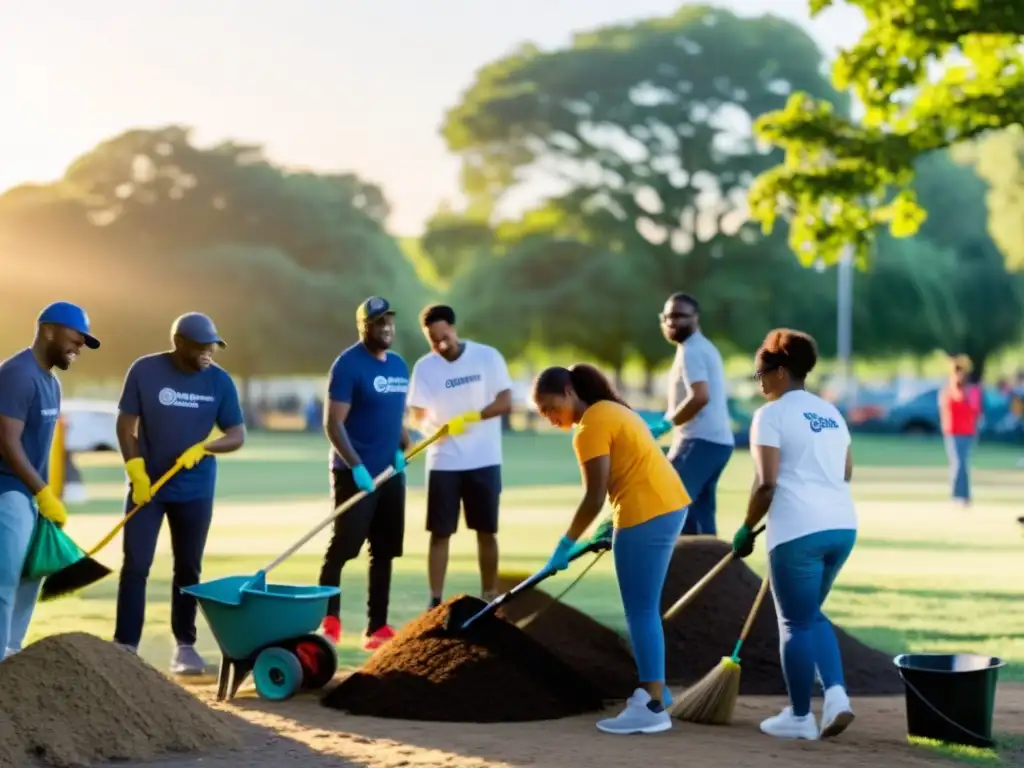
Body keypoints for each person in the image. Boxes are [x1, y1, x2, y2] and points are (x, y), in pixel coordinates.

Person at [532, 363, 690, 735]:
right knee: (644, 608)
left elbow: (593, 495)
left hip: (644, 513)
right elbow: (624, 471)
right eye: (541, 413)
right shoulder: (613, 409)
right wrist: (608, 522)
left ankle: (651, 703)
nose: (549, 416)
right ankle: (659, 691)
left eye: (549, 406)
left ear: (569, 391)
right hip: (668, 505)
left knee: (640, 610)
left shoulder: (590, 426)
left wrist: (564, 544)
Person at [730, 328, 857, 741]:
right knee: (809, 615)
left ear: (781, 371)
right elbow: (846, 471)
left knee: (795, 623)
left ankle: (800, 717)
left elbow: (765, 483)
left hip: (798, 531)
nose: (759, 381)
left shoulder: (771, 414)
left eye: (761, 372)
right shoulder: (830, 413)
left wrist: (746, 529)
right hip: (841, 526)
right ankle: (836, 696)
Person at [113, 313, 246, 674]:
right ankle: (125, 645)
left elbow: (236, 433)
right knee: (136, 565)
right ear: (180, 344)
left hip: (195, 490)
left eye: (212, 347)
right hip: (149, 490)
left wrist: (206, 448)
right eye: (202, 347)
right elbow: (126, 425)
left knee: (188, 568)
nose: (208, 354)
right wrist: (135, 470)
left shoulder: (220, 382)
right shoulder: (145, 370)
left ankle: (185, 647)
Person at [0, 302, 100, 660]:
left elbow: (42, 448)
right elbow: (7, 441)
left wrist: (47, 494)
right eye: (76, 338)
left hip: (31, 495)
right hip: (7, 490)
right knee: (5, 579)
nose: (80, 347)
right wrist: (42, 491)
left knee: (31, 575)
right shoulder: (17, 374)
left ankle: (12, 656)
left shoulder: (52, 384)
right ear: (49, 330)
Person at [319, 296, 412, 651]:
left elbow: (394, 416)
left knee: (385, 550)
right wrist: (356, 466)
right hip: (354, 473)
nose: (386, 327)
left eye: (389, 320)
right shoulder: (347, 365)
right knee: (344, 546)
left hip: (390, 473)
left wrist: (404, 445)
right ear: (364, 327)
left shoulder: (400, 365)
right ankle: (330, 621)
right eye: (378, 322)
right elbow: (333, 423)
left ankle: (377, 628)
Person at [407, 304, 513, 608]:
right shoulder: (425, 368)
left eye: (444, 337)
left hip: (484, 458)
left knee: (486, 531)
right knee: (440, 533)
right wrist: (433, 426)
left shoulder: (487, 357)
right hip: (444, 460)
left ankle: (490, 596)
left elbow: (505, 401)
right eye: (433, 340)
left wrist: (471, 418)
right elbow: (416, 413)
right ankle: (435, 600)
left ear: (454, 328)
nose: (441, 345)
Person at [648, 292, 734, 536]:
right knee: (700, 515)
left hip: (700, 440)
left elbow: (700, 396)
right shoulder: (701, 348)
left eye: (680, 316)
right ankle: (710, 571)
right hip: (716, 442)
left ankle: (685, 570)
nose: (672, 322)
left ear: (695, 318)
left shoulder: (692, 351)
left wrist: (667, 424)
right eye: (667, 317)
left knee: (671, 503)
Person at [939, 355, 981, 507]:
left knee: (961, 464)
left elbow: (973, 409)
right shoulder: (950, 389)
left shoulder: (970, 390)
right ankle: (959, 495)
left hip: (966, 431)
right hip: (954, 431)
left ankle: (962, 496)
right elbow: (953, 403)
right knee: (958, 464)